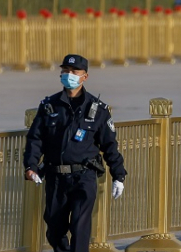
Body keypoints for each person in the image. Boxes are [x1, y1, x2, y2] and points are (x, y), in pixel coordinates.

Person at [23, 54, 127, 252]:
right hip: (56, 177)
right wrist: (31, 166)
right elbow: (35, 139)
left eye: (74, 72)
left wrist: (118, 175)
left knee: (80, 227)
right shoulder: (49, 106)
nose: (69, 75)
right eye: (65, 71)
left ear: (84, 77)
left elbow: (109, 145)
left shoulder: (97, 110)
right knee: (54, 228)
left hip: (83, 176)